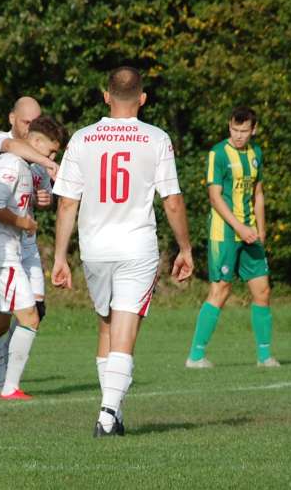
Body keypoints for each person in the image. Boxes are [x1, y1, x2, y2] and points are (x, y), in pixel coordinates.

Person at [51, 66, 193, 437]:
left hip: (96, 249)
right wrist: (185, 248)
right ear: (142, 98)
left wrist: (60, 257)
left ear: (106, 95)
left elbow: (67, 204)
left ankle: (113, 413)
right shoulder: (156, 138)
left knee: (108, 327)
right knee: (125, 331)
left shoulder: (82, 139)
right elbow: (173, 201)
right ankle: (106, 415)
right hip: (136, 247)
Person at [0, 116, 67, 399]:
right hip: (1, 252)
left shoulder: (28, 167)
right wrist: (23, 223)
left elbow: (19, 202)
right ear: (34, 142)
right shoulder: (10, 161)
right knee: (30, 317)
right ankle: (10, 387)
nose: (52, 157)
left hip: (11, 252)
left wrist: (38, 201)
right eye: (51, 151)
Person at [185, 107, 278, 368]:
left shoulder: (256, 153)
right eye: (234, 130)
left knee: (262, 290)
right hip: (225, 232)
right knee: (221, 290)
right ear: (229, 127)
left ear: (253, 130)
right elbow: (214, 197)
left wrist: (262, 228)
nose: (238, 136)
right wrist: (239, 227)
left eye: (244, 131)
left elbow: (258, 193)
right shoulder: (218, 154)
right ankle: (195, 356)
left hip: (250, 232)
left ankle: (264, 357)